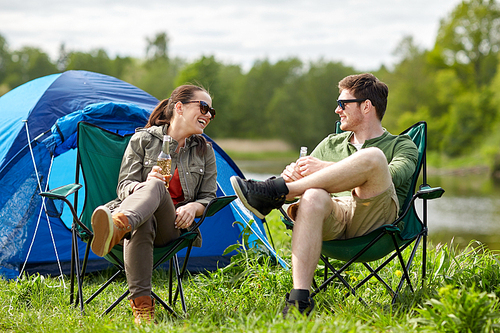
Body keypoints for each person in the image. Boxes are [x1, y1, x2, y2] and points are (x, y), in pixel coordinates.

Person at [230, 73, 418, 317]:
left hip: (375, 219)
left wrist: (323, 168)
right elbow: (308, 182)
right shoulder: (330, 144)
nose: (337, 110)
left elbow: (391, 176)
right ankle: (299, 301)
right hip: (332, 217)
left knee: (373, 157)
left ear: (366, 106)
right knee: (312, 196)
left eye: (343, 104)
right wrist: (292, 177)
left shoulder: (401, 146)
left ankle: (274, 191)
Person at [90, 84, 217, 324]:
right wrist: (141, 186)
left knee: (157, 186)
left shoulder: (205, 152)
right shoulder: (143, 140)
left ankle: (118, 226)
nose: (208, 114)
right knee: (149, 205)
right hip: (142, 220)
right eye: (203, 107)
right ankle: (143, 310)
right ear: (179, 107)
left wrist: (192, 207)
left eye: (212, 111)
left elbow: (208, 197)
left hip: (172, 227)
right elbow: (124, 185)